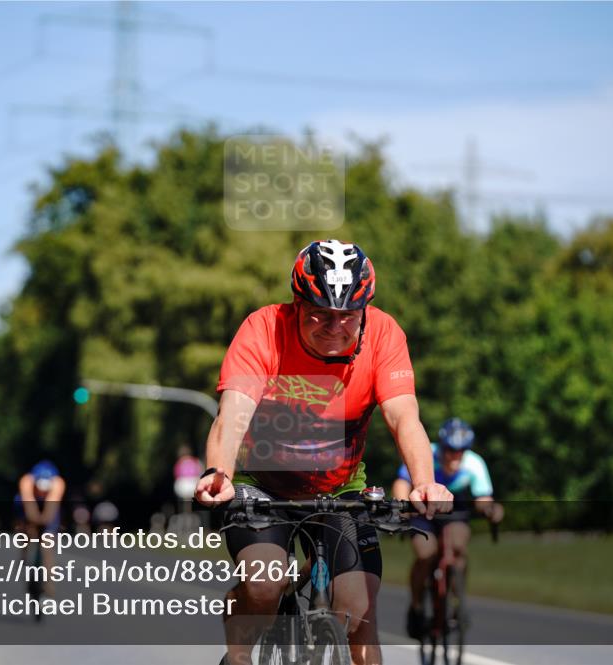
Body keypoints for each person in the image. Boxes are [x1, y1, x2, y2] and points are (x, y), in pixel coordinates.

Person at [194, 239, 454, 665]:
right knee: (264, 584)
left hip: (339, 489)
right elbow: (233, 415)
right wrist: (218, 472)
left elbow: (404, 417)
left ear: (365, 309)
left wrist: (424, 482)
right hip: (262, 485)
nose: (335, 326)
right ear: (297, 303)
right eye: (320, 313)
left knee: (357, 611)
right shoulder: (264, 329)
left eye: (348, 315)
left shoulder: (384, 334)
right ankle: (238, 656)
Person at [391, 417, 504, 639]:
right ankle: (416, 605)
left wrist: (491, 510)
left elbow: (483, 498)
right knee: (425, 554)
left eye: (461, 451)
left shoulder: (474, 464)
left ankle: (457, 600)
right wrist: (401, 505)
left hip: (455, 512)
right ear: (442, 447)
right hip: (423, 510)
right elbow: (402, 482)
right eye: (451, 450)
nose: (455, 456)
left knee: (458, 547)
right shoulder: (426, 453)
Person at [15, 460, 66, 596]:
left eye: (45, 490)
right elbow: (29, 506)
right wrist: (33, 522)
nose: (42, 492)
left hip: (48, 505)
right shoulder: (27, 481)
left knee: (47, 544)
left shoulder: (58, 483)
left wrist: (45, 523)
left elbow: (51, 508)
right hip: (27, 502)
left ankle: (49, 585)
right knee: (25, 530)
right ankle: (24, 553)